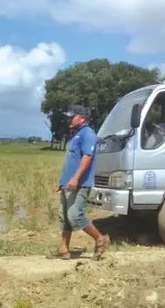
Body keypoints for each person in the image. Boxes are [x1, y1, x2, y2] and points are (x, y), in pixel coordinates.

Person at [48, 104, 109, 260]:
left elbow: (87, 157)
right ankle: (63, 249)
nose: (69, 118)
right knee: (64, 217)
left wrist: (75, 178)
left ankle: (100, 239)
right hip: (68, 183)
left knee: (75, 215)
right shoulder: (75, 134)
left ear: (82, 118)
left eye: (72, 116)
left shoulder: (88, 134)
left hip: (80, 184)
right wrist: (63, 181)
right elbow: (70, 161)